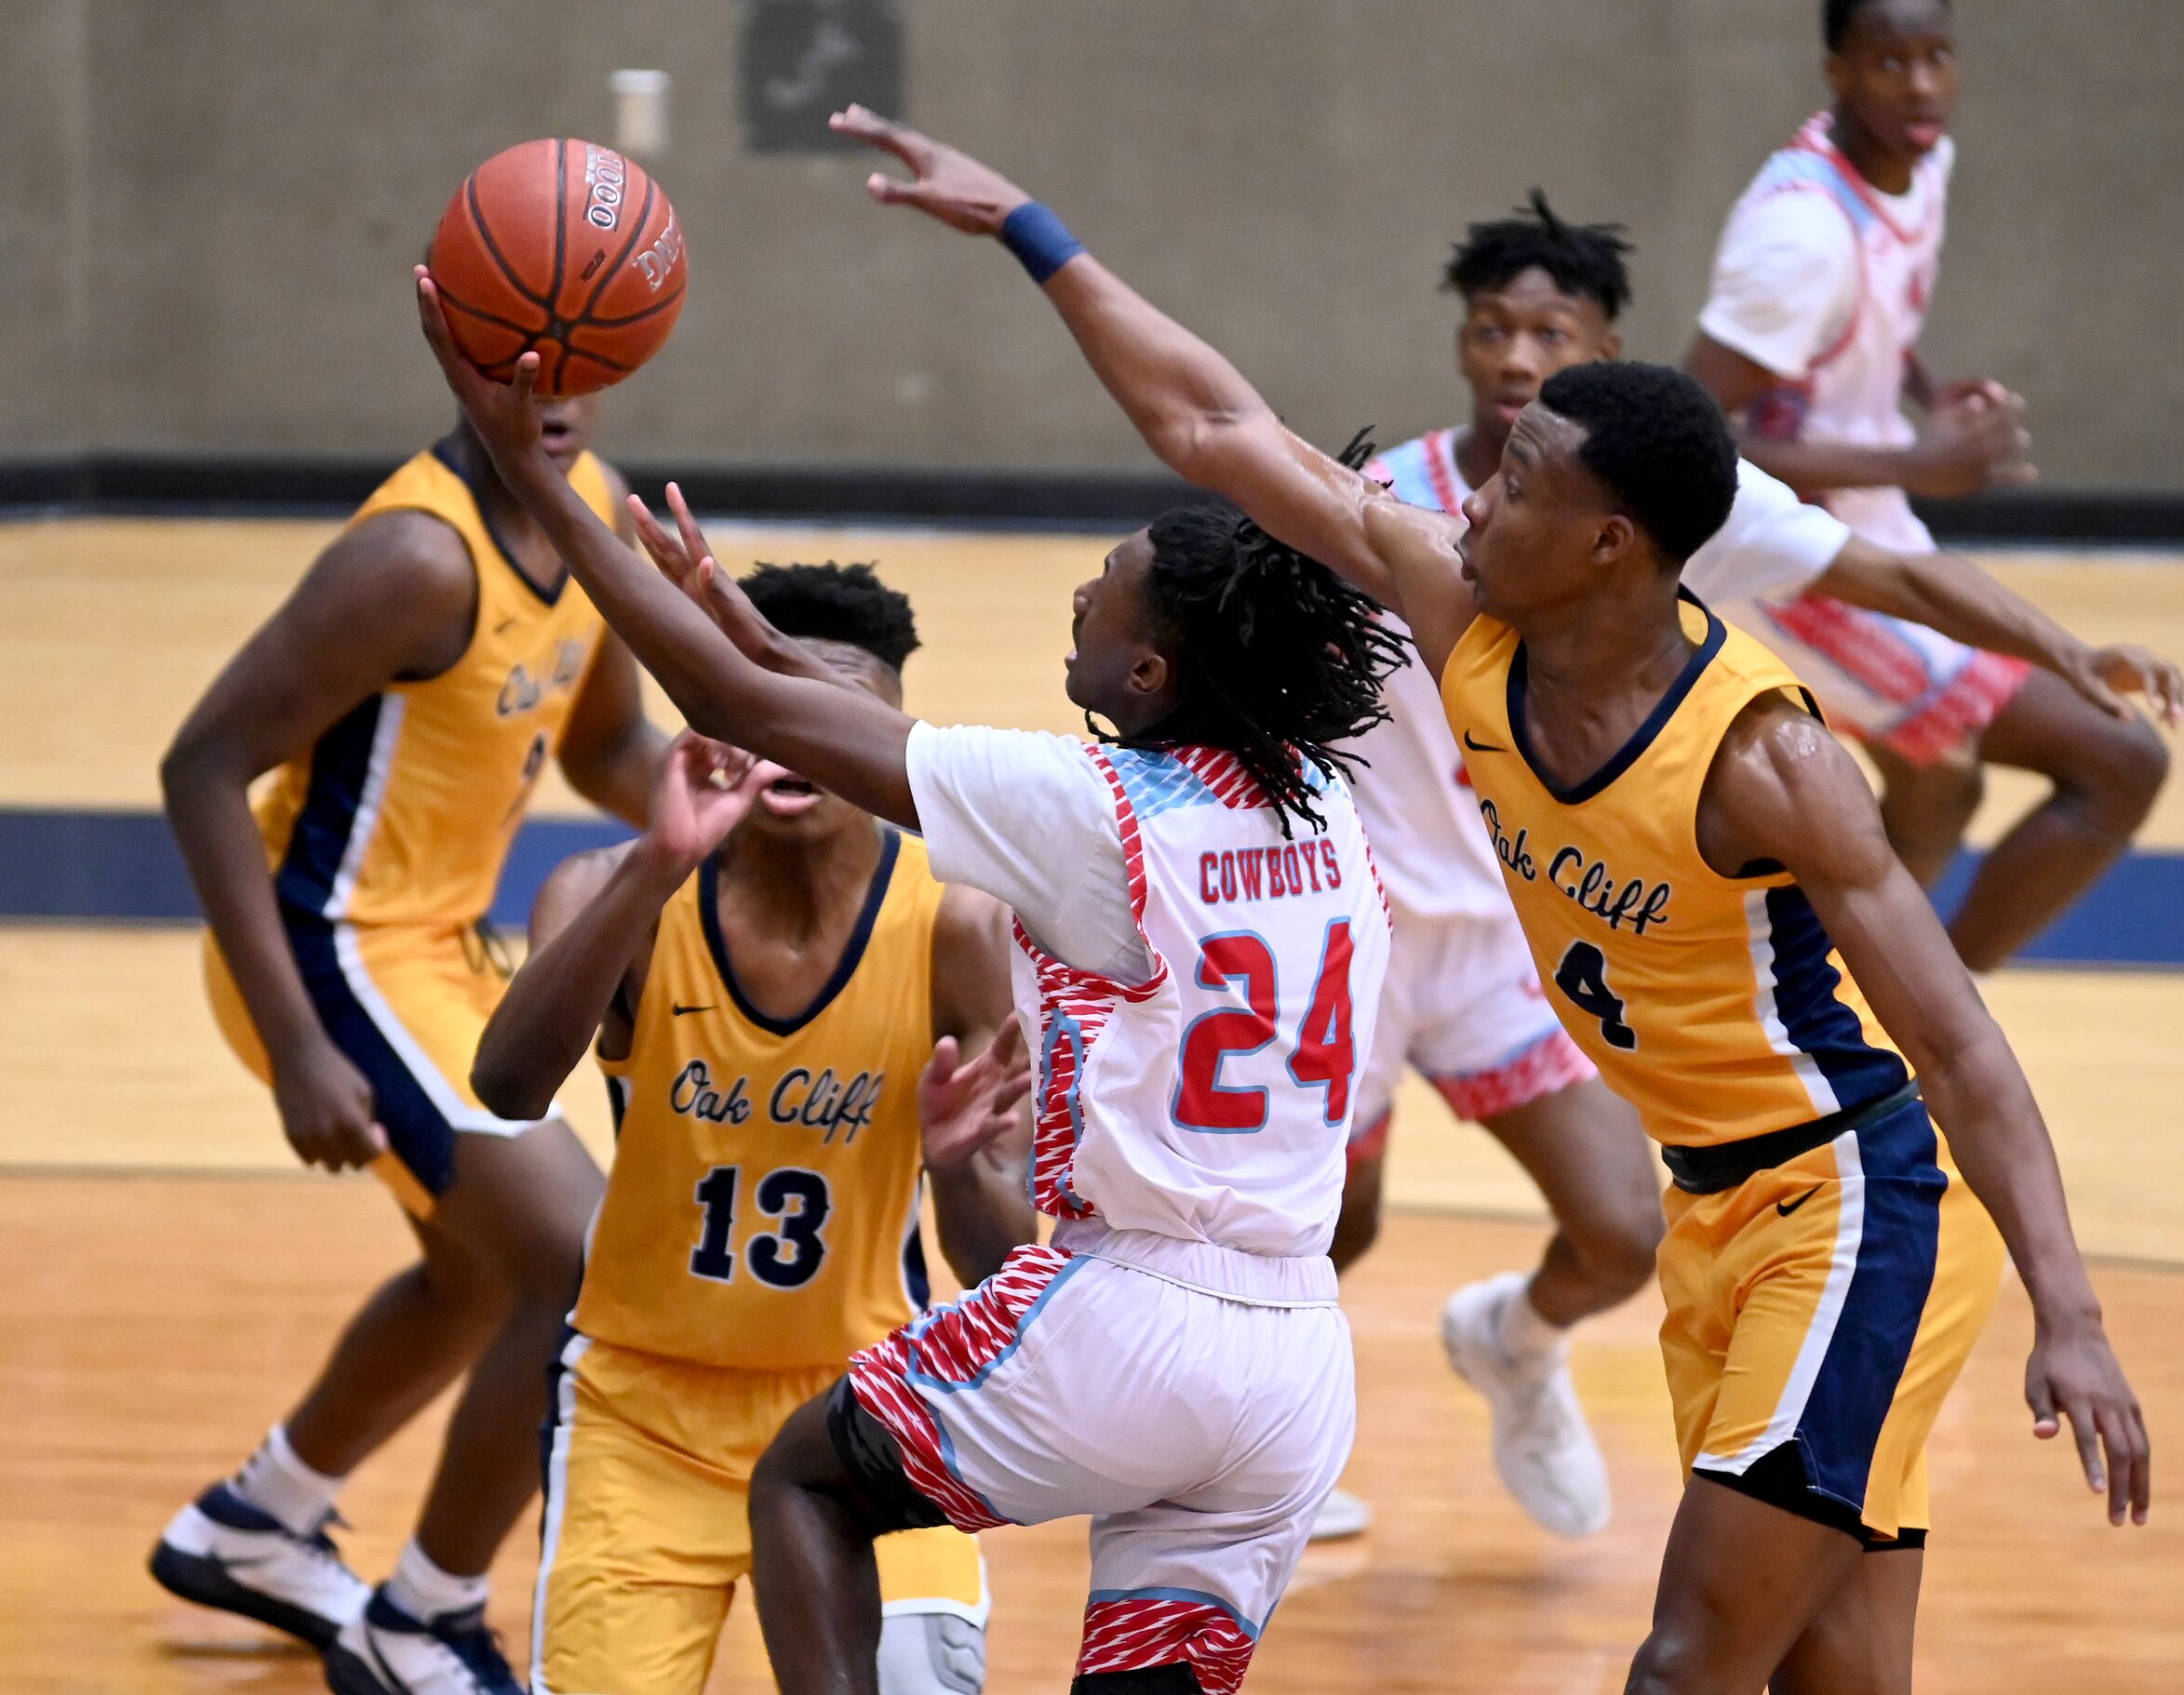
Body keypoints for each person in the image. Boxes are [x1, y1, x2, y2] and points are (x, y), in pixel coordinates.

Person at [830, 106, 2151, 1695]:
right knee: (1834, 1675)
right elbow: (1213, 427)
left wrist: (2068, 1310)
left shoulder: (1765, 762)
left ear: (1606, 544)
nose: (1473, 491)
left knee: (1681, 1667)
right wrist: (1032, 230)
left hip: (1848, 1203)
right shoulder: (1467, 618)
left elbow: (1954, 1047)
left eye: (1517, 480)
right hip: (1713, 1211)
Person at [414, 265, 1403, 1695]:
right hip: (1296, 1361)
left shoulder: (1098, 810)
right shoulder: (1315, 800)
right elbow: (817, 723)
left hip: (1134, 1309)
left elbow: (751, 718)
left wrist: (521, 466)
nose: (1080, 581)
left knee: (808, 1483)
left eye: (1108, 579)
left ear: (1146, 669)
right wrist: (746, 631)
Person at [1323, 186, 2178, 1545]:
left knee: (1612, 1231)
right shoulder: (1401, 512)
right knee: (1331, 1224)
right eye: (1490, 327)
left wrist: (2060, 646)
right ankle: (1259, 1463)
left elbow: (1887, 573)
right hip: (1362, 915)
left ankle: (1513, 1344)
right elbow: (1223, 454)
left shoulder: (1670, 506)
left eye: (1549, 329)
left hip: (1523, 913)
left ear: (1603, 346)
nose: (1513, 356)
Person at [152, 396, 664, 1695]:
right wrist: (295, 1041)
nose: (557, 390)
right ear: (463, 351)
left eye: (587, 351)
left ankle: (256, 1524)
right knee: (582, 1264)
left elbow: (604, 744)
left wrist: (763, 814)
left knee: (481, 1278)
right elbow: (202, 765)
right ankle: (423, 1617)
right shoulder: (416, 558)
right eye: (523, 348)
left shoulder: (593, 503)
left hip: (437, 944)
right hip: (326, 951)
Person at [467, 555, 1034, 1695]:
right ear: (729, 717)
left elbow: (996, 1268)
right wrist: (659, 864)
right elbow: (507, 1088)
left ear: (890, 749)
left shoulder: (957, 925)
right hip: (640, 1412)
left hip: (867, 1410)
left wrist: (958, 1170)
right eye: (780, 712)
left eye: (842, 723)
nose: (805, 747)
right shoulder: (609, 892)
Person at [1685, 0, 2171, 970]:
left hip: (1869, 519)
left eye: (1935, 58)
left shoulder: (1917, 163)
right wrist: (1918, 460)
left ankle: (1874, 1010)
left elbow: (1869, 323)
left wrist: (1923, 394)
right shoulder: (1800, 235)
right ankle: (1925, 1023)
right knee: (2105, 760)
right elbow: (1695, 433)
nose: (1916, 84)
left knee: (1943, 776)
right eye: (1887, 62)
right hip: (1791, 557)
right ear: (1836, 72)